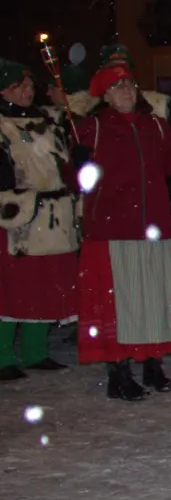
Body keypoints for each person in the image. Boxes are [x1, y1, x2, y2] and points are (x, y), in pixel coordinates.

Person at [75, 59, 171, 399]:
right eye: (116, 87)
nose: (125, 91)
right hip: (113, 231)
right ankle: (119, 371)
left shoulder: (154, 126)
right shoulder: (93, 128)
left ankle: (152, 365)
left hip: (154, 226)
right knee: (120, 305)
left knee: (153, 301)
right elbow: (79, 182)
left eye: (128, 84)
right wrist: (78, 162)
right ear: (105, 97)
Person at [0, 59, 77, 380]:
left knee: (45, 285)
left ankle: (35, 351)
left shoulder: (47, 119)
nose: (28, 92)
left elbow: (63, 158)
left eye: (30, 86)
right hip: (18, 217)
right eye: (20, 86)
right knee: (12, 288)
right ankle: (3, 356)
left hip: (52, 216)